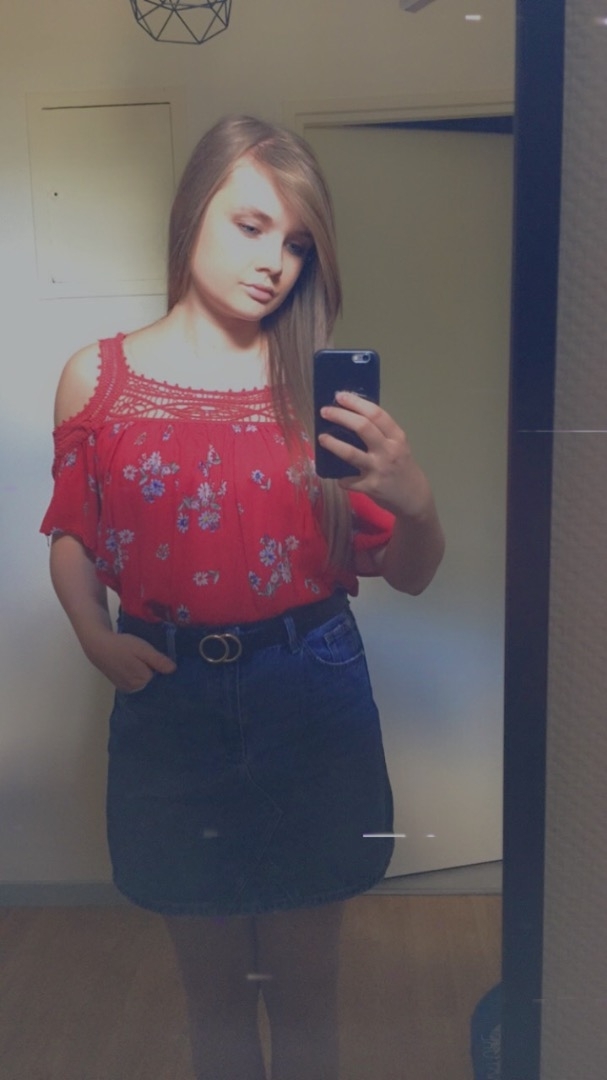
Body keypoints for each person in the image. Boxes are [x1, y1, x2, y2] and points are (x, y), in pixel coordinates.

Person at [40, 115, 445, 1080]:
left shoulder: (315, 389)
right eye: (252, 225)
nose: (275, 262)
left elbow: (412, 570)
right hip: (168, 695)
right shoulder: (97, 376)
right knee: (212, 993)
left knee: (307, 991)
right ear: (193, 214)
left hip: (310, 688)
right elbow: (73, 533)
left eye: (298, 244)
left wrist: (416, 500)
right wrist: (93, 633)